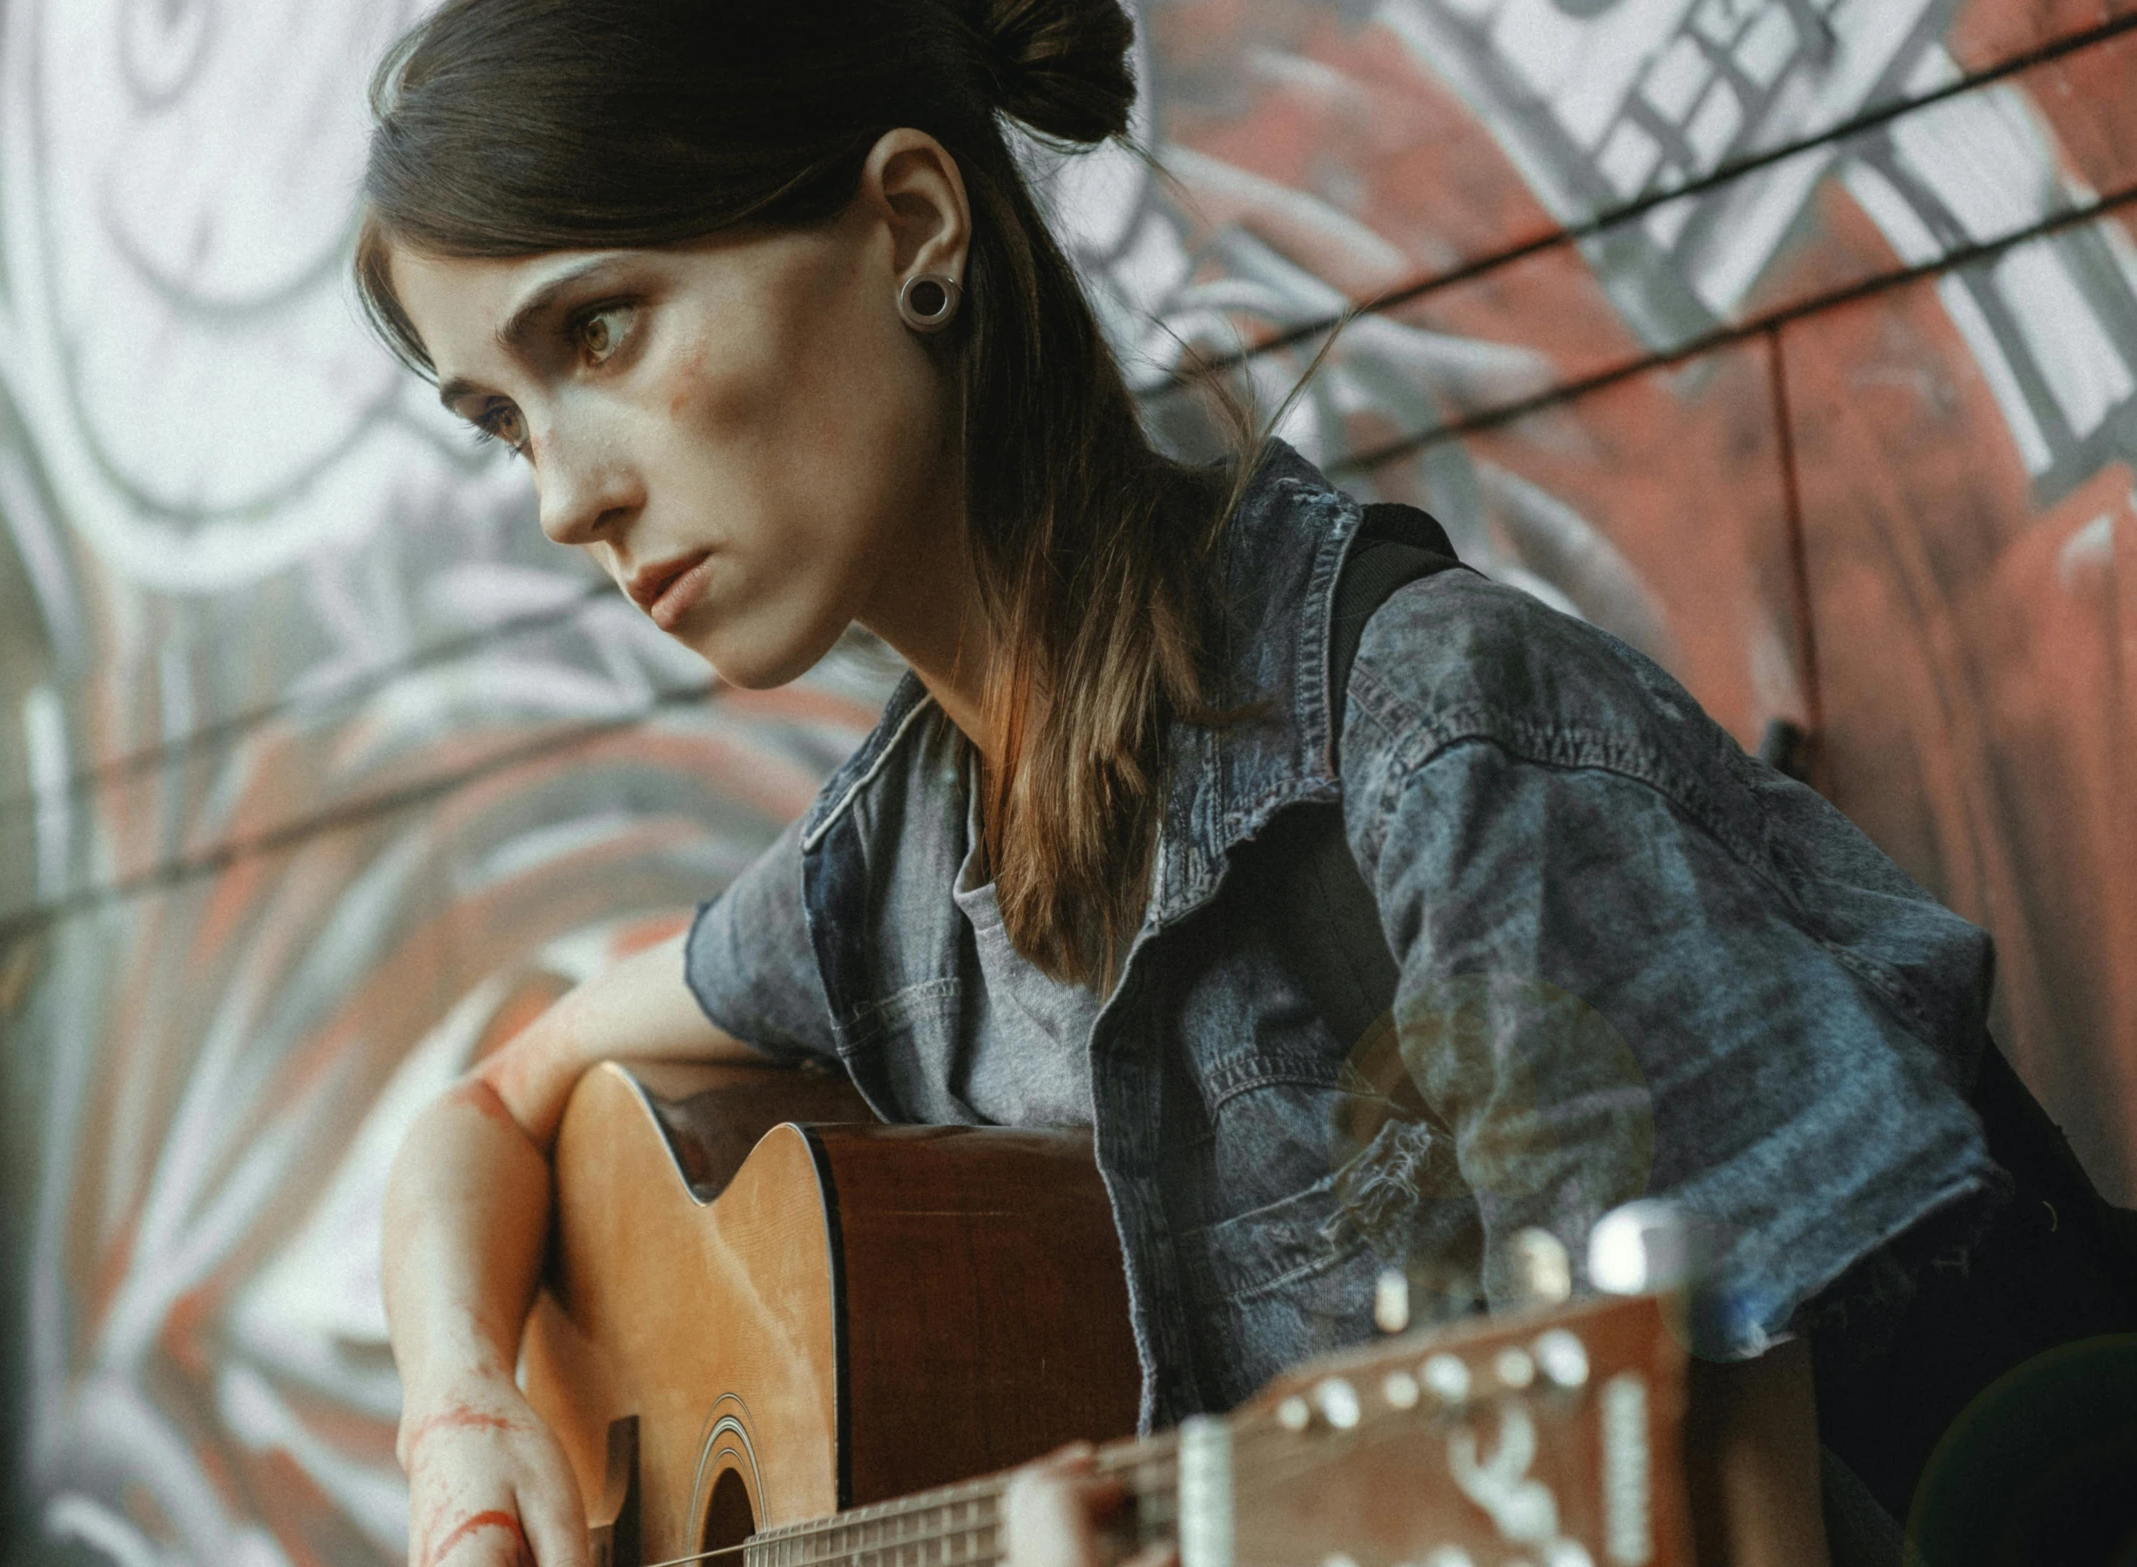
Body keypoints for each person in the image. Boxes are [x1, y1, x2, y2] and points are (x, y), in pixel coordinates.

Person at [356, 3, 2134, 1565]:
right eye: (500, 418)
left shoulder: (1433, 750)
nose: (562, 497)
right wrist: (462, 1432)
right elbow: (496, 1107)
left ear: (910, 224)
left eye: (594, 332)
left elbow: (1710, 1519)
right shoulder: (883, 882)